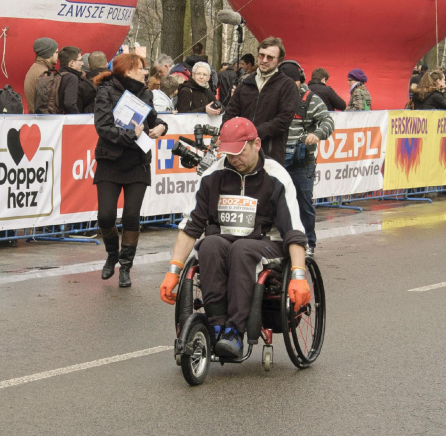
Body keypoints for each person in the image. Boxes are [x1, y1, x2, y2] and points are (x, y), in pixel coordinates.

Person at [159, 117, 310, 358]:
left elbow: (293, 230)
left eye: (239, 153)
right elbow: (191, 226)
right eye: (229, 154)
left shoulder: (276, 176)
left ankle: (235, 332)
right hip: (222, 240)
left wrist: (299, 275)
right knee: (208, 244)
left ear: (256, 144)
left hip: (264, 243)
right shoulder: (213, 175)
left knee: (242, 249)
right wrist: (173, 271)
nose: (233, 159)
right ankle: (217, 327)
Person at [93, 53, 168, 288]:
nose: (144, 72)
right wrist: (130, 135)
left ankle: (125, 266)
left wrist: (161, 128)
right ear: (127, 70)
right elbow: (102, 127)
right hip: (110, 161)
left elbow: (154, 120)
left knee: (131, 216)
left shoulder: (145, 93)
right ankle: (112, 254)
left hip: (137, 162)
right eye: (140, 68)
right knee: (105, 215)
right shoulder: (105, 91)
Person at [279, 61, 334, 257]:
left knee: (304, 202)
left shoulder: (311, 99)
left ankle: (309, 242)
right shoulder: (275, 96)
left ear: (299, 80)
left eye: (290, 83)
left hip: (302, 161)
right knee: (276, 202)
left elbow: (328, 121)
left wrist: (317, 134)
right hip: (277, 159)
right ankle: (283, 240)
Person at [222, 36, 299, 165]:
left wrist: (254, 133)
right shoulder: (245, 83)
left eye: (270, 57)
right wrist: (226, 133)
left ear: (279, 61)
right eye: (261, 55)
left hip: (270, 155)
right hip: (241, 154)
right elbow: (230, 112)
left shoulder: (287, 85)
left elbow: (284, 119)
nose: (264, 60)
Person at [24, 37, 58, 114]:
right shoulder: (44, 73)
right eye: (56, 52)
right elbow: (46, 103)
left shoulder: (35, 68)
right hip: (42, 120)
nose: (57, 56)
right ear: (49, 54)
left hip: (35, 117)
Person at [58, 46, 96, 113]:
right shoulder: (72, 78)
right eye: (80, 60)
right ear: (71, 63)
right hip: (70, 121)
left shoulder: (57, 75)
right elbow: (69, 104)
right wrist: (78, 118)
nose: (82, 63)